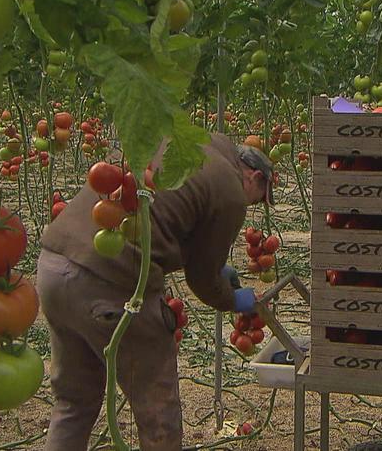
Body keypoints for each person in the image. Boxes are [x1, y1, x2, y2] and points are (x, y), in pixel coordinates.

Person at [36, 133, 274, 451]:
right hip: (113, 286)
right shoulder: (230, 189)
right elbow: (202, 280)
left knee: (74, 402)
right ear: (255, 176)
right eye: (258, 198)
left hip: (54, 268)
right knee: (158, 413)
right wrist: (234, 299)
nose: (251, 205)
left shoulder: (189, 141)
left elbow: (168, 214)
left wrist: (215, 268)